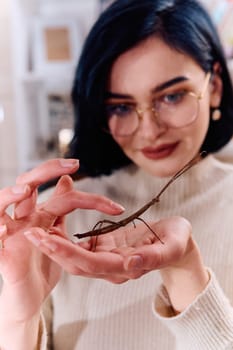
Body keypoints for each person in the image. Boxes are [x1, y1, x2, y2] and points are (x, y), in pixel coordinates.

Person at [1, 0, 233, 348]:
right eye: (121, 107)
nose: (150, 130)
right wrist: (20, 315)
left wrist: (186, 269)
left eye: (171, 97)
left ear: (214, 86)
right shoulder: (52, 219)